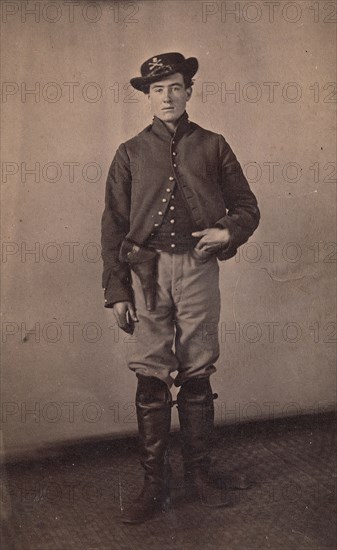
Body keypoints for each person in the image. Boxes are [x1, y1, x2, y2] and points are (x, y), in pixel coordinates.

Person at [101, 52, 260, 523]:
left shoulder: (213, 145)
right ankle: (155, 484)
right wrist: (117, 289)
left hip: (197, 270)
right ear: (147, 97)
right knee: (150, 375)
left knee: (197, 370)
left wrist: (227, 231)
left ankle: (200, 474)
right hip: (145, 274)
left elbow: (247, 205)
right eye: (156, 90)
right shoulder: (129, 152)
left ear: (189, 90)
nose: (166, 97)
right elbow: (112, 224)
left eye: (174, 87)